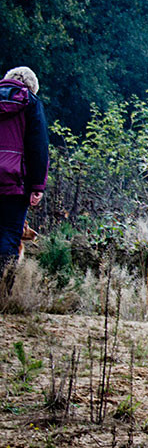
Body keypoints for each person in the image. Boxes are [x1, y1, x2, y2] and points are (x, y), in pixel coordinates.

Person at [0, 66, 48, 297]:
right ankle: (3, 292)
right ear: (32, 87)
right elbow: (38, 147)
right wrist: (37, 185)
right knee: (10, 233)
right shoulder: (31, 103)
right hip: (15, 180)